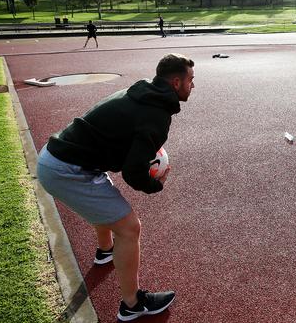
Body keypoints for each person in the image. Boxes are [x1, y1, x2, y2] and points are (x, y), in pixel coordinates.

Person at [36, 54, 195, 321]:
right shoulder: (156, 115)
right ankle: (132, 304)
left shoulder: (141, 90)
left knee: (106, 197)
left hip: (59, 157)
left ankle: (105, 251)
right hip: (66, 169)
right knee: (130, 228)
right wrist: (155, 184)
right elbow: (133, 172)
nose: (193, 85)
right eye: (191, 80)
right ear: (176, 82)